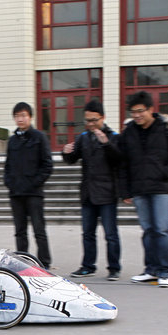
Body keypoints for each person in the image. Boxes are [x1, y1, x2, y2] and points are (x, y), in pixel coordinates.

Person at [118, 91, 168, 288]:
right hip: (139, 188)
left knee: (162, 229)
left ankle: (165, 271)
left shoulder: (166, 129)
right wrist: (125, 192)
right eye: (133, 112)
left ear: (151, 109)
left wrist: (166, 172)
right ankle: (151, 270)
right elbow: (123, 163)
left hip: (161, 187)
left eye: (140, 111)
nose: (137, 115)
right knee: (148, 231)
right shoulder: (129, 132)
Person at [62, 100, 122, 281]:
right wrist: (66, 152)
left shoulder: (113, 136)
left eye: (94, 120)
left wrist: (106, 144)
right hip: (88, 193)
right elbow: (72, 159)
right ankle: (88, 266)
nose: (90, 124)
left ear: (103, 118)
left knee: (110, 234)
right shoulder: (83, 137)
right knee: (87, 233)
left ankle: (114, 268)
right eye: (87, 121)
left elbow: (120, 160)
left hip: (107, 193)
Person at [4, 102, 53, 269]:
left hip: (34, 193)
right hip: (16, 193)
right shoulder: (12, 141)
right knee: (20, 231)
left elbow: (47, 165)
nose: (21, 119)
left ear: (30, 117)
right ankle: (22, 263)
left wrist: (34, 183)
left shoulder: (39, 137)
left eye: (23, 115)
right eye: (17, 116)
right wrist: (9, 183)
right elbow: (8, 165)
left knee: (39, 230)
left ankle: (44, 263)